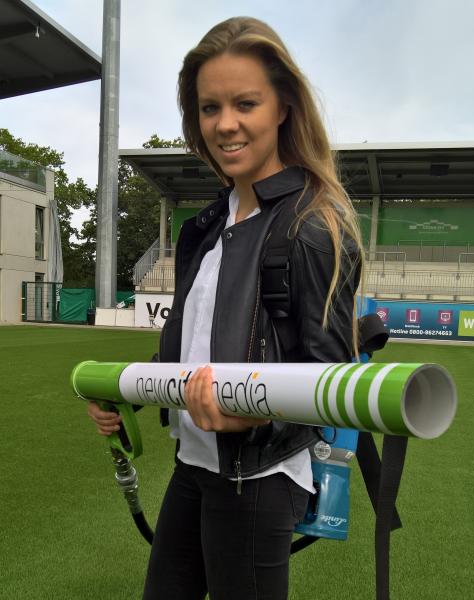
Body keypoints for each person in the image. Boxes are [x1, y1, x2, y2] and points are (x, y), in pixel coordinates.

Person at [88, 16, 363, 600]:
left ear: (282, 107)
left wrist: (256, 414)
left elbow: (332, 385)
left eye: (245, 103)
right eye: (210, 108)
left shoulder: (312, 227)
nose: (226, 124)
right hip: (195, 466)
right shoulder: (206, 228)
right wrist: (129, 391)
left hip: (258, 479)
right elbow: (192, 350)